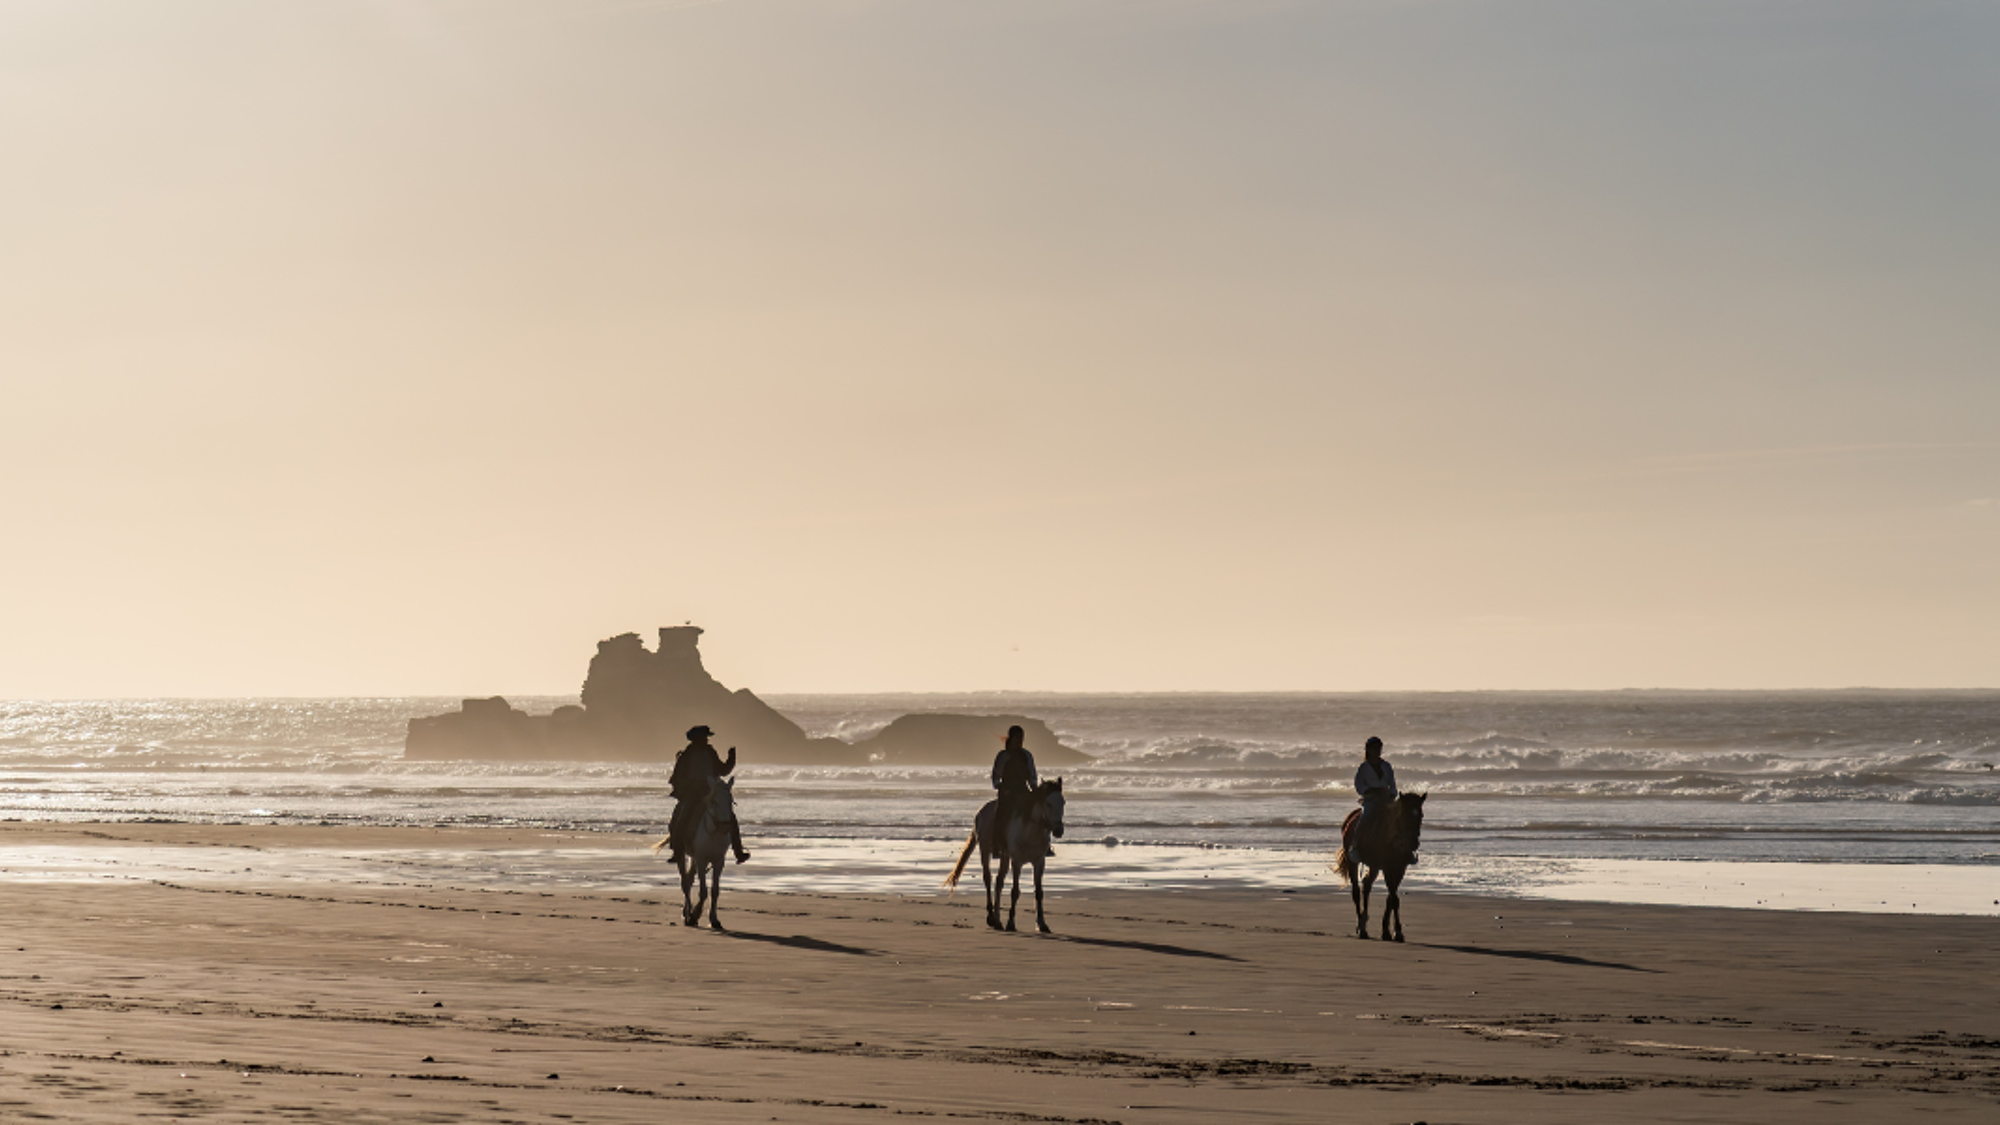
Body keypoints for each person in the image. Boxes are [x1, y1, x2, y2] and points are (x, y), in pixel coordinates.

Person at [669, 725, 750, 864]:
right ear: (697, 739)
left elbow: (722, 770)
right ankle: (677, 852)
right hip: (692, 794)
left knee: (730, 817)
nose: (707, 740)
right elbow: (677, 778)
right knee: (681, 818)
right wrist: (692, 784)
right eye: (704, 738)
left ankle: (738, 851)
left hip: (711, 792)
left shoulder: (710, 751)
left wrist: (731, 759)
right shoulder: (686, 755)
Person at [990, 724, 1039, 856]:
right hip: (1007, 790)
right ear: (1011, 738)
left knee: (1039, 812)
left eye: (1022, 739)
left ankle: (1043, 845)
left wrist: (1035, 788)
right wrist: (1000, 787)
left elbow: (1032, 774)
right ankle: (997, 846)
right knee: (1001, 815)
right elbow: (996, 776)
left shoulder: (1026, 755)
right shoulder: (1003, 756)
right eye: (1018, 738)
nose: (1020, 742)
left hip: (1022, 789)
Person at [1353, 735, 1397, 848]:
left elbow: (1392, 784)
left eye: (1379, 748)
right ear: (1368, 750)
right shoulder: (1363, 767)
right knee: (1365, 817)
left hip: (1386, 798)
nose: (1377, 751)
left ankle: (1406, 850)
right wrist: (1371, 791)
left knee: (1400, 818)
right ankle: (1355, 846)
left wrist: (1392, 794)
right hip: (1371, 799)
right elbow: (1359, 785)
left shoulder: (1387, 766)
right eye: (1374, 748)